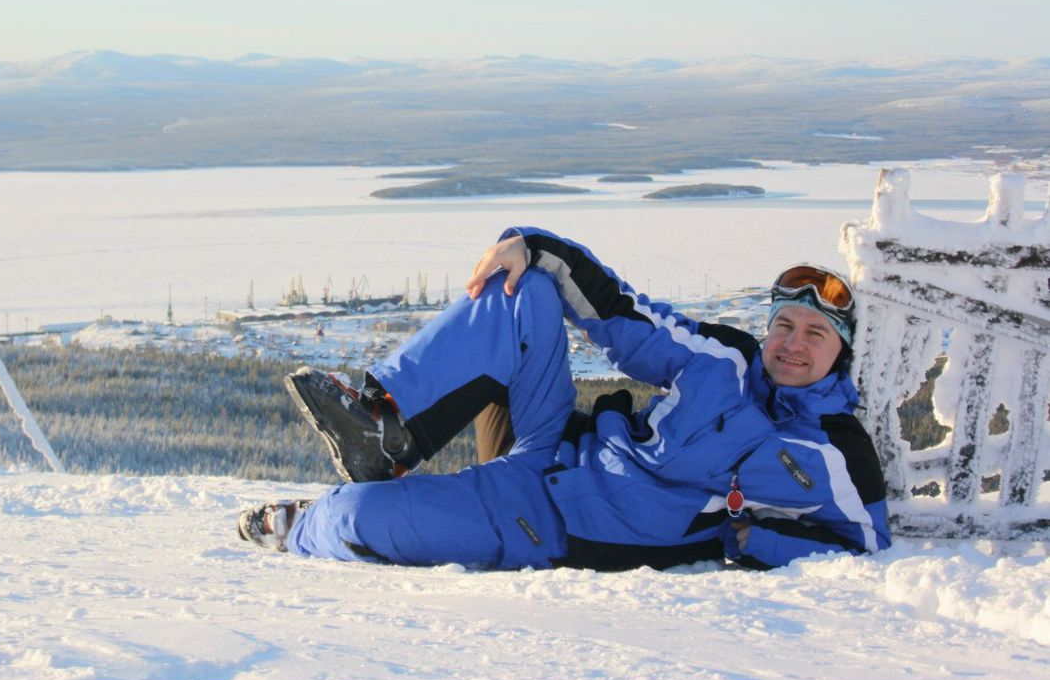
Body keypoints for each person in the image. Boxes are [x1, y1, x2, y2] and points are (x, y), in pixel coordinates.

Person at [238, 227, 891, 571]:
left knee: (355, 516)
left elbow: (865, 541)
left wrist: (752, 538)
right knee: (527, 285)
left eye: (815, 334)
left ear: (841, 351)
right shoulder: (726, 359)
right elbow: (623, 316)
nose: (793, 344)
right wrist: (535, 245)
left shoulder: (836, 449)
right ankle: (384, 422)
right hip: (557, 439)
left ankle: (305, 523)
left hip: (546, 522)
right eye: (784, 325)